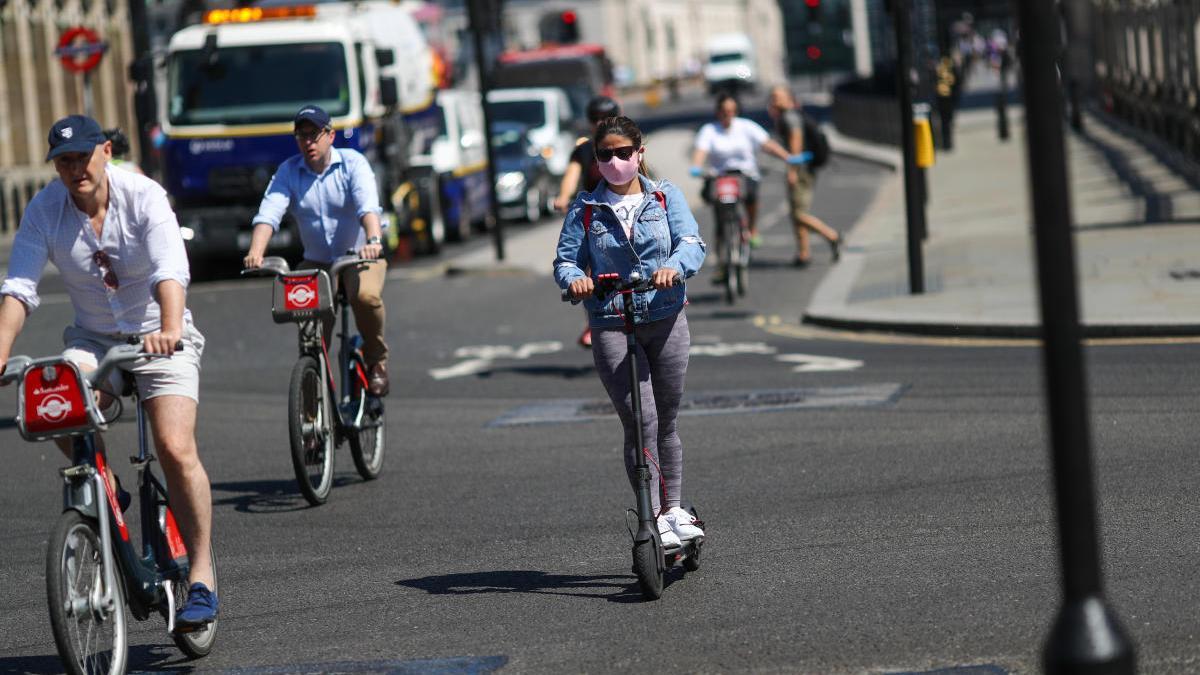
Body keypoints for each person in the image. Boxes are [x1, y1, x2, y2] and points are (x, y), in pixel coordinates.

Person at [0, 114, 217, 628]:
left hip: (160, 334)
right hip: (94, 341)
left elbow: (170, 270)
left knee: (174, 446)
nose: (76, 169)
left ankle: (203, 578)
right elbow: (19, 287)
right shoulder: (46, 209)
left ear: (105, 153)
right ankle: (109, 490)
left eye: (83, 156)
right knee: (50, 399)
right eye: (64, 161)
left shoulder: (143, 196)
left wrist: (168, 329)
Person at [554, 115, 707, 547]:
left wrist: (673, 269)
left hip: (665, 316)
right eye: (607, 155)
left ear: (640, 153)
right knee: (640, 422)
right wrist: (575, 280)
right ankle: (651, 514)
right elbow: (565, 262)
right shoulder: (585, 210)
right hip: (611, 322)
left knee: (667, 420)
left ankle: (673, 508)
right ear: (597, 161)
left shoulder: (664, 195)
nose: (617, 161)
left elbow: (691, 243)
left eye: (625, 153)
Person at [243, 105, 389, 395]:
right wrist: (255, 252)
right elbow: (269, 213)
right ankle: (312, 396)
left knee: (366, 297)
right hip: (317, 261)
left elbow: (367, 206)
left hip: (358, 255)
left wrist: (373, 240)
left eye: (314, 134)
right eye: (301, 136)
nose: (308, 142)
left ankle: (377, 361)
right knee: (310, 328)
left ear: (330, 135)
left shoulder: (353, 164)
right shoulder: (289, 171)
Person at [689, 93, 801, 252]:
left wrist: (787, 157)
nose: (728, 115)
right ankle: (721, 260)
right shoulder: (709, 130)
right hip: (720, 177)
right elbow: (701, 151)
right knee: (719, 217)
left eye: (731, 111)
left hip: (745, 174)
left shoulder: (747, 126)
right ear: (718, 112)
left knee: (751, 196)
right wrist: (696, 166)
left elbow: (767, 144)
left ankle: (752, 228)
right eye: (724, 111)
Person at [554, 95, 622, 349]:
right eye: (596, 119)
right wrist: (563, 196)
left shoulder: (626, 143)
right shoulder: (584, 149)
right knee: (589, 269)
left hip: (627, 214)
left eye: (607, 118)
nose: (601, 123)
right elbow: (572, 174)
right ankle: (595, 319)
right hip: (596, 218)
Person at [767, 86, 842, 266]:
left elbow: (796, 143)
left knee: (799, 214)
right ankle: (804, 253)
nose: (774, 100)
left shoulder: (790, 117)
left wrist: (792, 170)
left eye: (778, 97)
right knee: (797, 212)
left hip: (801, 169)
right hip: (804, 167)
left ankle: (833, 236)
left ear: (789, 99)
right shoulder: (787, 116)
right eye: (773, 97)